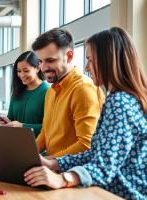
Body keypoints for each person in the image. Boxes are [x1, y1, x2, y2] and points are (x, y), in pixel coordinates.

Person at [24, 27, 147, 200]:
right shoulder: (120, 99)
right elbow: (95, 153)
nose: (87, 67)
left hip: (120, 195)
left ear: (108, 61)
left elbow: (103, 164)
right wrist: (53, 163)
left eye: (90, 60)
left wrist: (63, 178)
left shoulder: (120, 102)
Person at [32, 28, 105, 157]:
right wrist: (25, 155)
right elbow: (45, 134)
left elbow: (87, 144)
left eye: (50, 60)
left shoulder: (83, 89)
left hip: (72, 172)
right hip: (53, 169)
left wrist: (49, 161)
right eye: (40, 61)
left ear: (69, 56)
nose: (43, 68)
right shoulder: (51, 92)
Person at [0, 51, 49, 137]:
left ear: (38, 68)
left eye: (26, 71)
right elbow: (11, 119)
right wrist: (6, 122)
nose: (22, 75)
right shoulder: (17, 91)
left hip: (38, 147)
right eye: (19, 71)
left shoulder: (47, 91)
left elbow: (50, 127)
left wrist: (23, 126)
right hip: (15, 143)